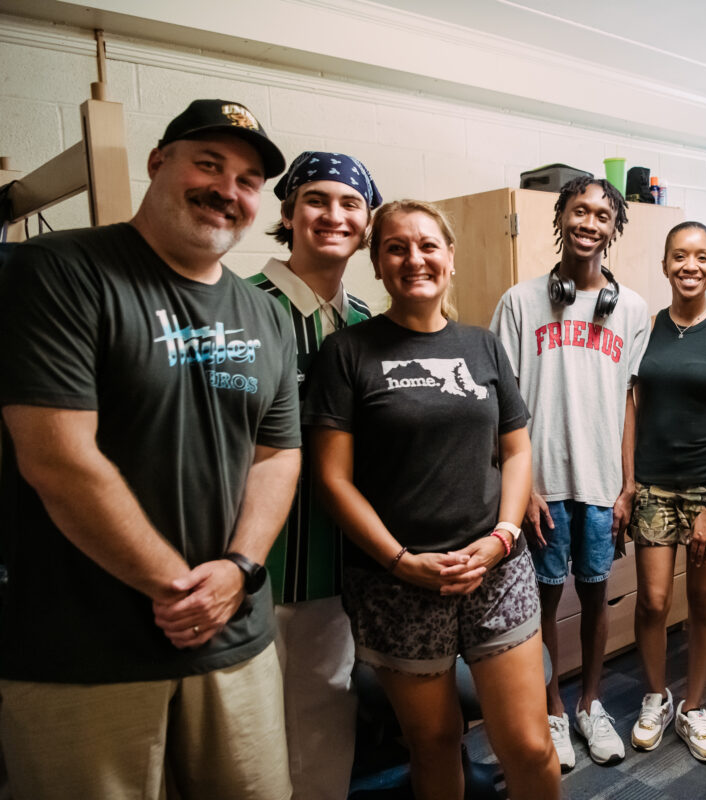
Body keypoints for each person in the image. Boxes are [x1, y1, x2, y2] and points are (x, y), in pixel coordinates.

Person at [0, 99, 297, 799]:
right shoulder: (58, 272)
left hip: (234, 638)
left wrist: (239, 568)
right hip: (84, 652)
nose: (228, 189)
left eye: (249, 179)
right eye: (210, 163)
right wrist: (177, 589)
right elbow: (57, 458)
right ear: (159, 161)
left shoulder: (263, 313)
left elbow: (277, 454)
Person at [306, 200, 559, 799]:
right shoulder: (348, 353)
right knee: (434, 741)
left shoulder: (482, 346)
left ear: (450, 257)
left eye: (427, 245)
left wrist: (501, 539)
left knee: (527, 745)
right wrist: (400, 560)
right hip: (396, 582)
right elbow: (332, 479)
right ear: (377, 262)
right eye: (396, 247)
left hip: (495, 568)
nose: (414, 258)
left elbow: (518, 453)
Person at [490, 177, 650, 769]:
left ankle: (591, 703)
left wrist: (628, 485)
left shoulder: (630, 309)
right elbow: (501, 403)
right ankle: (553, 708)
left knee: (597, 595)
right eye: (579, 210)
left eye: (602, 215)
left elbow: (631, 403)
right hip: (542, 485)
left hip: (602, 483)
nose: (590, 223)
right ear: (561, 217)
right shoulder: (520, 301)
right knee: (542, 602)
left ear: (614, 228)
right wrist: (522, 484)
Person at [246, 150, 380, 799]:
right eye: (317, 200)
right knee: (246, 747)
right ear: (288, 213)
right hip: (252, 576)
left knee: (325, 734)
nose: (334, 215)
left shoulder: (366, 325)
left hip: (340, 574)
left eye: (350, 203)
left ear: (367, 220)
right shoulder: (241, 308)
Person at [628, 221, 706, 763]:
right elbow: (632, 407)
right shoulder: (648, 326)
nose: (690, 266)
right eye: (679, 256)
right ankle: (656, 696)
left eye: (701, 257)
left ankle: (694, 706)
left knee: (704, 601)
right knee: (654, 600)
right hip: (654, 485)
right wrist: (629, 481)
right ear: (664, 264)